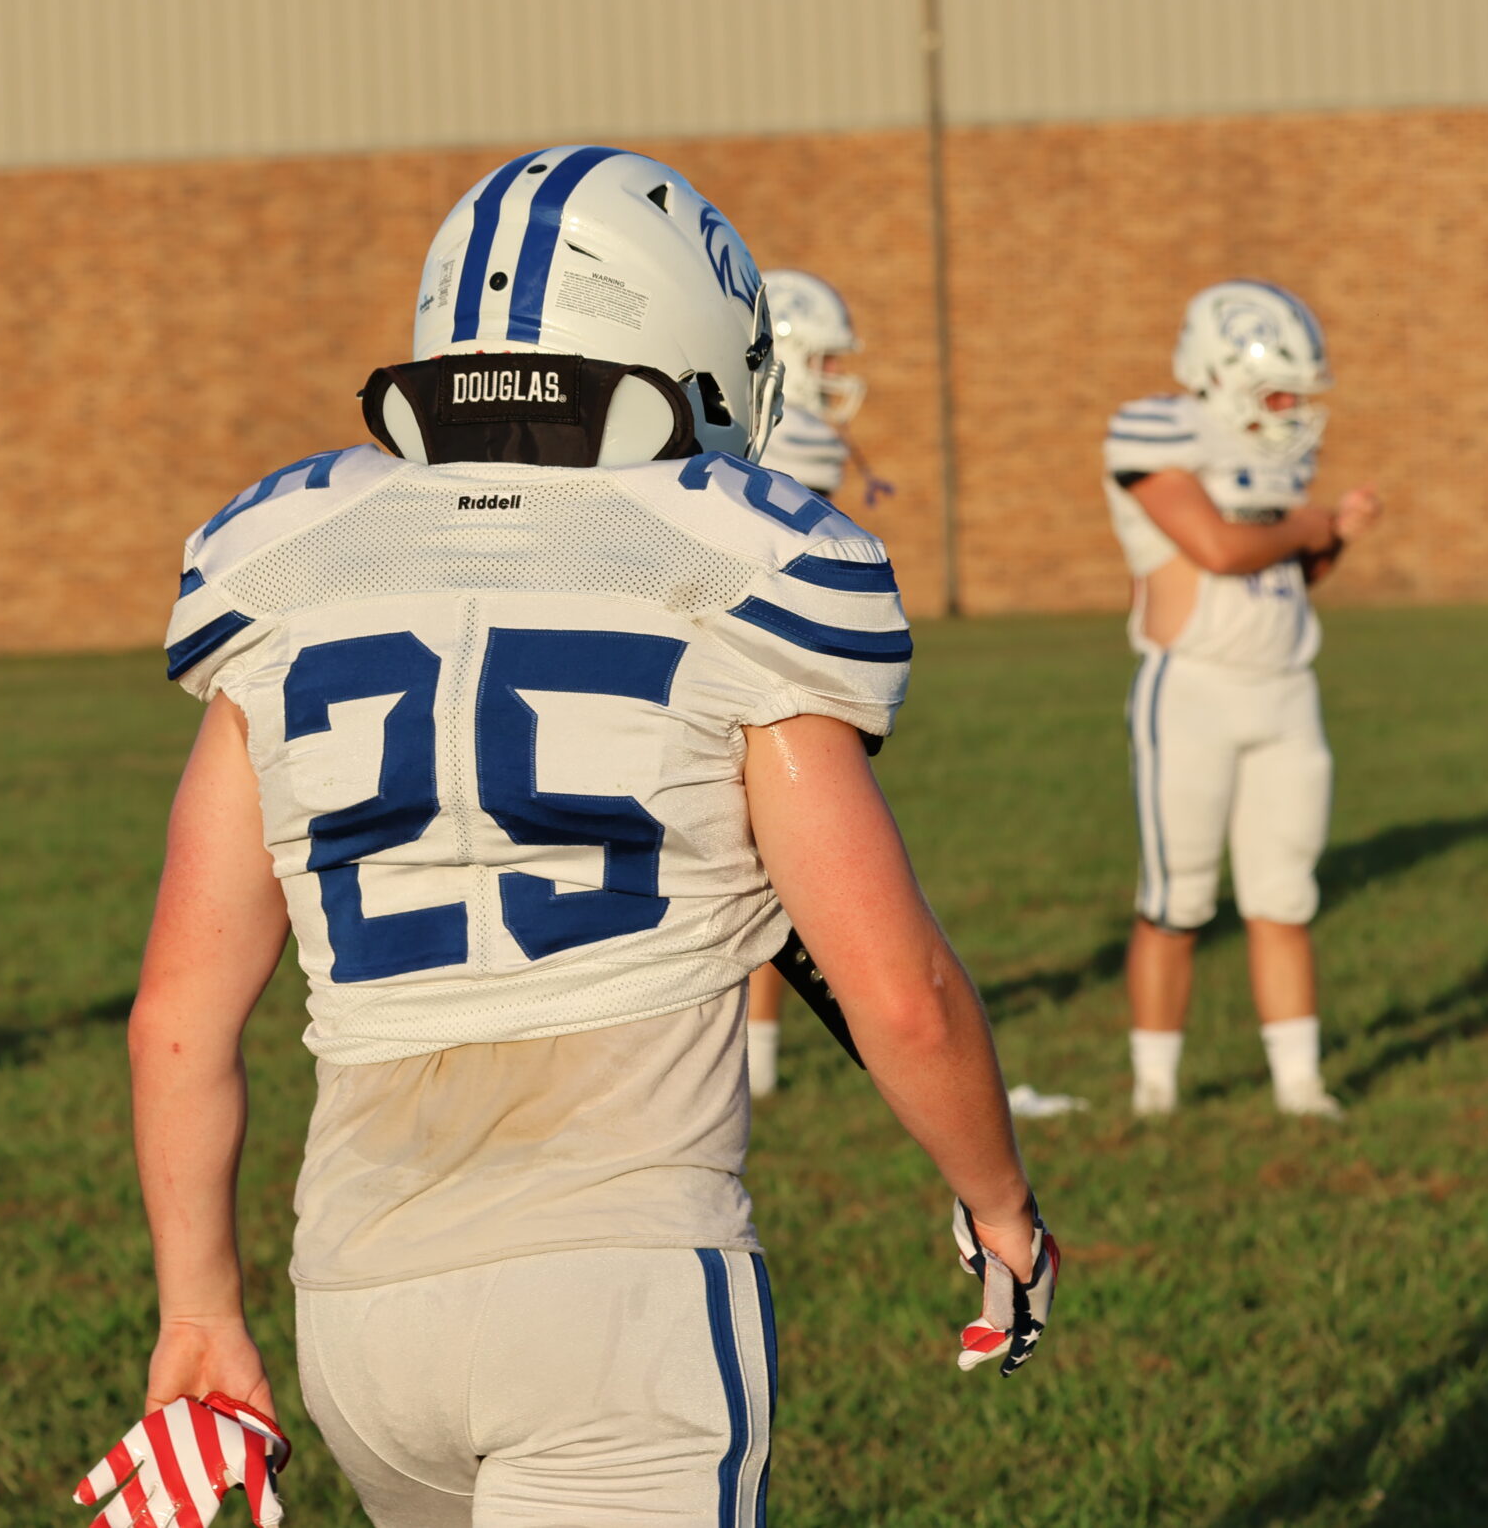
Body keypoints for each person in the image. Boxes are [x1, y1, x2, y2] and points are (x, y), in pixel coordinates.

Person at [78, 147, 1058, 1528]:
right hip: (618, 1290)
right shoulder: (732, 565)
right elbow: (900, 991)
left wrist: (196, 1311)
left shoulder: (292, 568)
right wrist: (998, 1202)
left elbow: (176, 1020)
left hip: (360, 1305)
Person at [1101, 281, 1382, 1120]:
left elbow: (1288, 572)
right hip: (1194, 688)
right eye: (1277, 390)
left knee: (1285, 896)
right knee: (1177, 900)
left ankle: (1300, 1083)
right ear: (1222, 373)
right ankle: (1155, 1090)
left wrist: (1333, 536)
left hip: (1287, 687)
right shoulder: (1157, 432)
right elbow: (1220, 548)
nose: (1292, 409)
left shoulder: (1278, 454)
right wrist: (1312, 523)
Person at [739, 266, 876, 1097]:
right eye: (820, 361)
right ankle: (752, 1063)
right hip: (770, 683)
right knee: (769, 882)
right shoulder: (788, 455)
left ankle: (754, 1063)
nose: (834, 378)